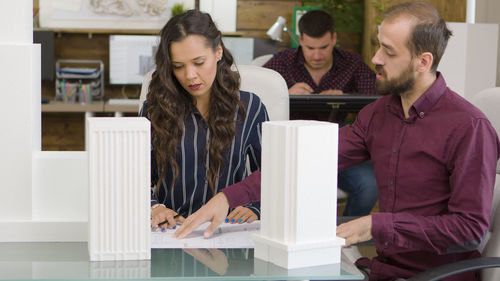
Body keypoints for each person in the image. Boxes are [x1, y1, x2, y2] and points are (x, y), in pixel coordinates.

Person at [176, 2, 500, 280]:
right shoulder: (377, 114)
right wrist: (227, 198)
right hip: (380, 269)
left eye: (388, 51)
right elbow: (304, 161)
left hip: (437, 276)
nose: (375, 58)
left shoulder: (469, 127)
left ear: (423, 61)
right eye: (378, 45)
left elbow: (469, 230)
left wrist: (377, 225)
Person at [142, 10, 269, 231]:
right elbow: (136, 177)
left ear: (218, 51)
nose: (189, 75)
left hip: (229, 231)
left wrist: (256, 207)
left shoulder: (251, 107)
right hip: (171, 230)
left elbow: (272, 173)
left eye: (199, 62)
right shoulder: (155, 110)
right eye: (178, 66)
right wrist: (154, 207)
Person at [266, 9, 378, 217]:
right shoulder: (282, 62)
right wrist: (283, 93)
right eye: (310, 47)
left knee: (370, 184)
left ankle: (345, 233)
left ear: (334, 39)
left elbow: (377, 101)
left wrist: (346, 97)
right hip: (292, 152)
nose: (317, 55)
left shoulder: (351, 64)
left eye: (324, 47)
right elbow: (254, 97)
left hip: (338, 150)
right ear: (300, 40)